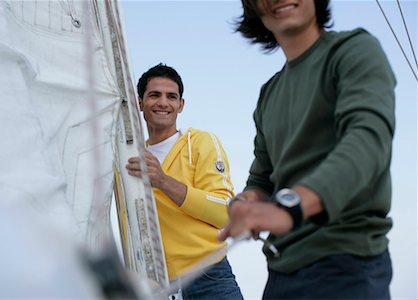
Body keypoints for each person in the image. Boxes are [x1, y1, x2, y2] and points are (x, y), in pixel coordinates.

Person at [218, 0, 396, 299]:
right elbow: (262, 180)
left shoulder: (354, 50)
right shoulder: (269, 94)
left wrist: (292, 206)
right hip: (280, 272)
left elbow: (368, 140)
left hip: (347, 263)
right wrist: (245, 202)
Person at [126, 63, 243, 300]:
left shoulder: (201, 142)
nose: (163, 103)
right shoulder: (127, 156)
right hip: (153, 284)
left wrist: (162, 180)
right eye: (154, 95)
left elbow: (225, 212)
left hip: (209, 277)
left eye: (171, 96)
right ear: (140, 103)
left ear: (181, 105)